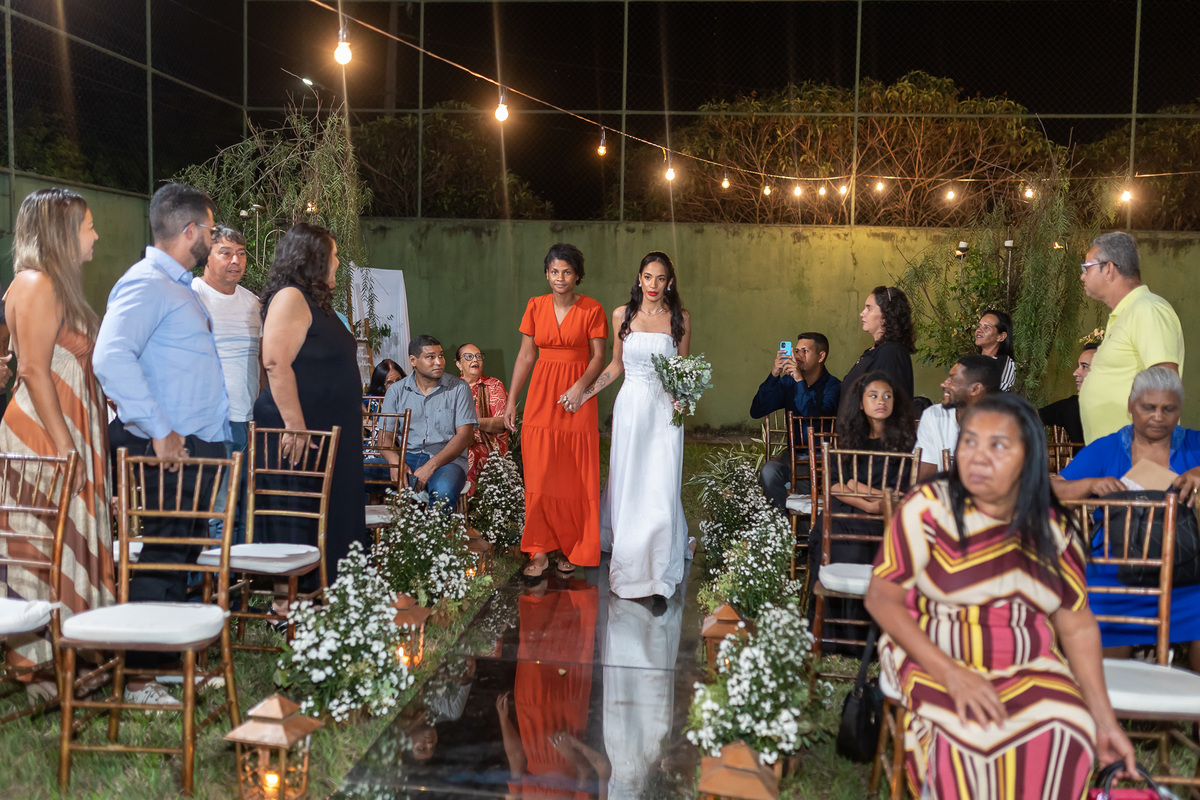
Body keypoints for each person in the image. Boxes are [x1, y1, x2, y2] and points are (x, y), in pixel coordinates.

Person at [865, 393, 1137, 798]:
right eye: (970, 441)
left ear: (1028, 459)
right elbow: (881, 599)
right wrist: (953, 675)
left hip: (1026, 660)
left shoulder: (1051, 529)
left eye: (998, 445)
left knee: (1067, 728)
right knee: (966, 735)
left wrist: (1104, 721)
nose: (978, 457)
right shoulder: (929, 507)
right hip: (930, 650)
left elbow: (1076, 625)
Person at [93, 182, 227, 706]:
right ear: (191, 230)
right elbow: (110, 356)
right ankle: (138, 678)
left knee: (185, 552)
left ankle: (166, 663)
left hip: (196, 445)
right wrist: (160, 430)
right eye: (211, 229)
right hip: (172, 448)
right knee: (165, 552)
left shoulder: (178, 287)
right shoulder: (146, 282)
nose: (213, 237)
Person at [0, 188, 113, 700]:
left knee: (62, 539)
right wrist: (68, 450)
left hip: (67, 430)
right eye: (88, 226)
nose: (95, 235)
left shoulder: (54, 287)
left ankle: (73, 657)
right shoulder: (34, 283)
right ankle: (39, 671)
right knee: (39, 545)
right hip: (44, 438)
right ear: (61, 233)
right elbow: (31, 370)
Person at [1052, 367, 1200, 670]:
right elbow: (1051, 489)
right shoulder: (1108, 448)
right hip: (1114, 568)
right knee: (1096, 605)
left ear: (1179, 410)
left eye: (1168, 409)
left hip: (1186, 569)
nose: (1158, 416)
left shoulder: (1194, 445)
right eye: (1149, 407)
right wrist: (1090, 484)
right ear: (1131, 405)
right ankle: (1113, 695)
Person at [254, 222, 365, 589]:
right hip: (302, 431)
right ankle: (291, 598)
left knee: (332, 510)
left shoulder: (317, 303)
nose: (338, 262)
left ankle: (332, 590)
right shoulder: (290, 297)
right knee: (299, 512)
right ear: (314, 258)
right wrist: (295, 425)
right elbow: (275, 362)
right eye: (333, 255)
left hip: (330, 431)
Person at [582, 251, 692, 600]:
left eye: (660, 278)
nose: (653, 285)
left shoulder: (681, 319)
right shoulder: (622, 315)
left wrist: (682, 398)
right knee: (630, 479)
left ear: (669, 282)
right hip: (631, 407)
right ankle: (630, 550)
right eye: (648, 277)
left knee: (661, 481)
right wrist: (585, 393)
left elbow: (682, 370)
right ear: (639, 278)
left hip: (664, 410)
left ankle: (659, 563)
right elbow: (616, 365)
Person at [504, 244, 608, 579]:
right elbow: (525, 356)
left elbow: (598, 357)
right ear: (546, 274)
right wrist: (511, 399)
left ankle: (569, 546)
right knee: (540, 471)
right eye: (554, 271)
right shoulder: (535, 306)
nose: (560, 278)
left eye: (566, 271)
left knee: (572, 473)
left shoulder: (592, 309)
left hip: (578, 399)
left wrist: (580, 388)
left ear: (577, 275)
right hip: (542, 396)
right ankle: (538, 548)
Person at [808, 372, 915, 648]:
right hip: (849, 510)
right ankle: (834, 639)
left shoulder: (906, 443)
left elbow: (904, 491)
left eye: (888, 396)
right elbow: (835, 485)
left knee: (877, 545)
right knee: (835, 537)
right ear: (860, 402)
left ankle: (873, 639)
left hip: (887, 516)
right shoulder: (848, 439)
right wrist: (870, 502)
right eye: (873, 395)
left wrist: (863, 490)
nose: (881, 401)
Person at [1078, 231, 1184, 444]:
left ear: (1109, 268)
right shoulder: (1125, 315)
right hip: (1115, 454)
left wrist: (1148, 456)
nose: (1082, 276)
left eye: (1087, 268)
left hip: (1135, 455)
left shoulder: (1147, 309)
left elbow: (1164, 384)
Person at [191, 225, 259, 544]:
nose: (236, 260)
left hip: (249, 419)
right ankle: (212, 573)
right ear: (206, 256)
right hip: (210, 421)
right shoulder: (192, 296)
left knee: (245, 511)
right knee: (216, 511)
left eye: (241, 254)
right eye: (226, 253)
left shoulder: (254, 304)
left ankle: (238, 573)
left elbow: (263, 362)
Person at [380, 335, 476, 510]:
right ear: (413, 361)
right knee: (353, 474)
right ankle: (364, 529)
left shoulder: (459, 388)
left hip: (447, 462)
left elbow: (465, 436)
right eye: (430, 357)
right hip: (406, 459)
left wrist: (430, 466)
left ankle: (433, 529)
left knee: (443, 492)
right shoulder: (395, 391)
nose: (439, 362)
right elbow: (384, 437)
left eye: (441, 356)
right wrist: (395, 462)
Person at [749, 331, 842, 510]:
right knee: (769, 471)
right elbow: (757, 410)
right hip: (793, 454)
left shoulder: (834, 387)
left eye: (805, 351)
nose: (798, 356)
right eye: (796, 351)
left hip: (823, 457)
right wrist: (774, 374)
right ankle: (782, 524)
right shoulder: (788, 383)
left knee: (804, 478)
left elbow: (812, 416)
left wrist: (799, 380)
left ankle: (804, 526)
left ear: (821, 356)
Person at [915, 355, 1002, 481]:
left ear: (975, 389)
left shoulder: (1005, 425)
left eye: (953, 380)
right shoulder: (935, 415)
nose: (943, 384)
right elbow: (923, 481)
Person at [841, 286, 915, 407]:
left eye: (869, 308)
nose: (862, 313)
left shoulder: (892, 354)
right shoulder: (875, 351)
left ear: (886, 315)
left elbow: (888, 405)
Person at [454, 343, 509, 496]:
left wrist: (471, 423)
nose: (475, 360)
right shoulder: (452, 389)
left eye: (478, 356)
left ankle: (469, 504)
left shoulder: (494, 385)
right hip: (457, 443)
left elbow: (502, 423)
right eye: (468, 356)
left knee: (469, 454)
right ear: (458, 364)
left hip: (488, 444)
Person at [1038, 343, 1098, 444]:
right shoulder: (1071, 407)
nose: (1075, 373)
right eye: (1078, 366)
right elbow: (1028, 418)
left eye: (1084, 367)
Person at [974, 308, 1016, 391]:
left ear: (1001, 337)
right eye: (979, 326)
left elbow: (991, 393)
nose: (979, 330)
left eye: (987, 327)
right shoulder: (972, 362)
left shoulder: (1005, 363)